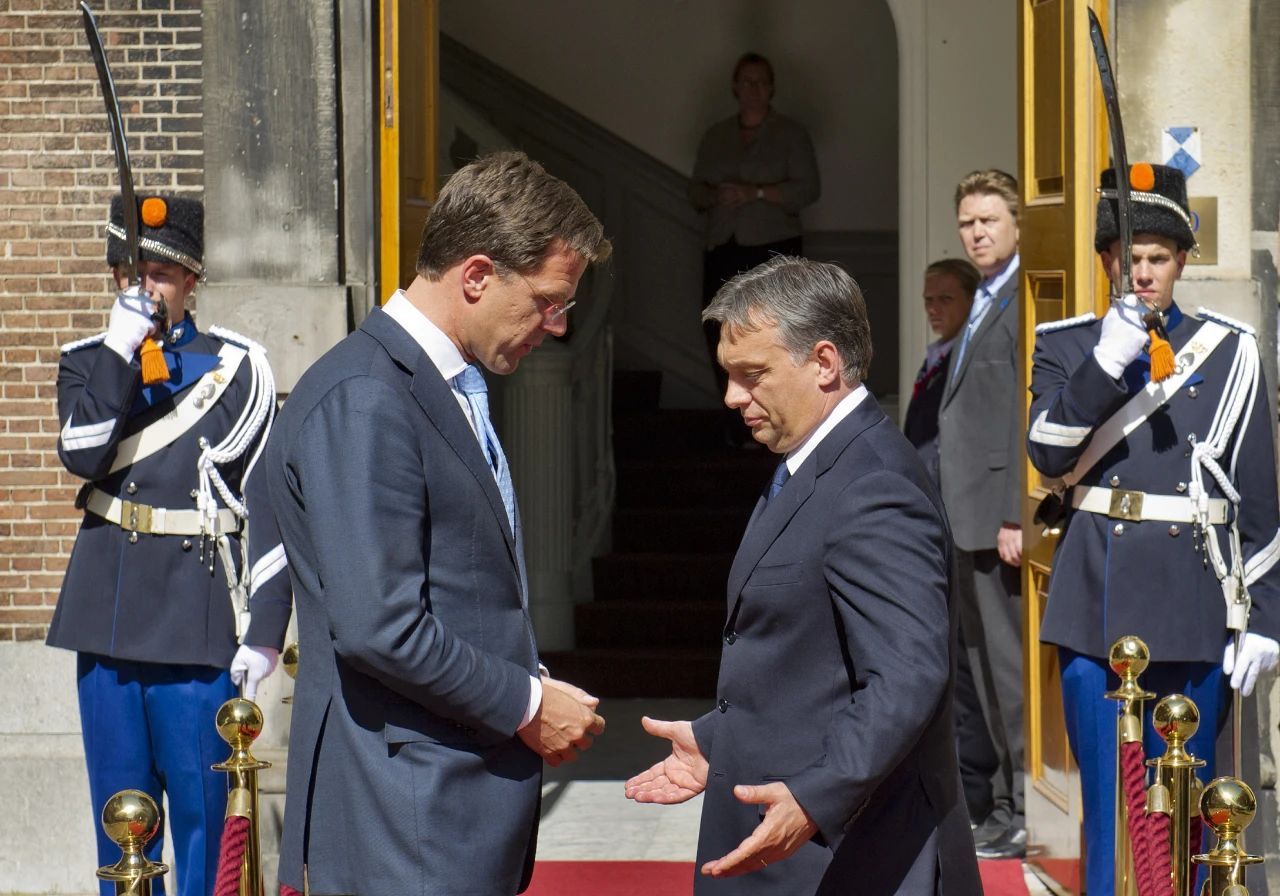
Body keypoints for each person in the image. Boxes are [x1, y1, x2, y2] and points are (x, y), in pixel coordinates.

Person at [261, 151, 610, 896]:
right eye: (548, 301)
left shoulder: (428, 385)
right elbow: (380, 627)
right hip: (402, 823)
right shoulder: (367, 395)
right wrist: (526, 703)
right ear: (477, 275)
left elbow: (460, 591)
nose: (555, 326)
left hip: (436, 814)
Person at [624, 256, 981, 895]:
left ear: (823, 362)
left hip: (852, 859)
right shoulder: (816, 461)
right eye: (728, 374)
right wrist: (721, 738)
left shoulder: (871, 485)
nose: (732, 396)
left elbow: (906, 675)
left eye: (752, 374)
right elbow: (810, 659)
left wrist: (816, 795)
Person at [1026, 162, 1280, 895]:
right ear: (1107, 261)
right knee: (1113, 809)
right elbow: (1047, 453)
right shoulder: (1068, 346)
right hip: (1096, 602)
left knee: (1195, 807)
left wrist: (1266, 620)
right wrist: (1108, 360)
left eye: (1157, 258)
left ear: (1182, 261)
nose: (1141, 273)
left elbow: (1258, 496)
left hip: (1193, 597)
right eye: (1128, 257)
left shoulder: (1231, 352)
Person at [50, 194, 289, 896]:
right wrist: (119, 353)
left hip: (196, 623)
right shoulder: (89, 364)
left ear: (190, 280)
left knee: (205, 825)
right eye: (131, 273)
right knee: (123, 827)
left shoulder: (238, 373)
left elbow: (268, 507)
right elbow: (81, 455)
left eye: (159, 274)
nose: (145, 287)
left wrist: (265, 632)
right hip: (108, 619)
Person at [935, 169, 1026, 859]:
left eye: (989, 220)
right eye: (968, 222)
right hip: (964, 516)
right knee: (978, 670)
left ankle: (1025, 806)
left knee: (1008, 672)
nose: (977, 233)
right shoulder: (984, 296)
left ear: (1018, 223)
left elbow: (1027, 410)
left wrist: (1015, 513)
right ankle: (999, 805)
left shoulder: (1024, 298)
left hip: (999, 521)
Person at [690, 52, 820, 401]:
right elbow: (694, 191)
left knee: (775, 331)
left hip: (773, 247)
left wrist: (757, 192)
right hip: (723, 245)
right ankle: (733, 410)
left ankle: (775, 408)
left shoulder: (791, 133)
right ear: (735, 87)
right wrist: (716, 195)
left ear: (772, 88)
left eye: (761, 82)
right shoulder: (716, 135)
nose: (754, 89)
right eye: (747, 82)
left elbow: (808, 189)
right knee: (720, 328)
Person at [903, 258, 979, 477]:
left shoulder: (973, 357)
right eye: (928, 300)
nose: (933, 309)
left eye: (946, 299)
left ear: (972, 300)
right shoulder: (936, 355)